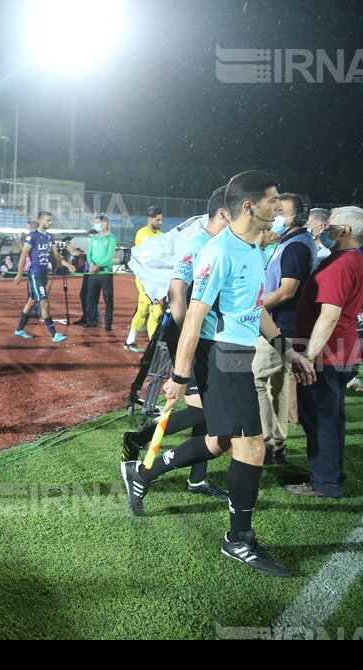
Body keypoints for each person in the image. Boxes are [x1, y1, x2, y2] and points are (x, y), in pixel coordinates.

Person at [121, 170, 315, 577]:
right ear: (249, 206)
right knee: (252, 445)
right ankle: (238, 539)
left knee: (221, 441)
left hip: (239, 352)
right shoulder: (218, 251)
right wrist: (179, 375)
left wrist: (286, 349)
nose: (278, 209)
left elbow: (254, 308)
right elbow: (194, 316)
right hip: (221, 355)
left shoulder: (254, 249)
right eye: (272, 201)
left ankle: (144, 472)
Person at [122, 186, 232, 500]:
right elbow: (176, 293)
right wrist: (189, 337)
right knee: (202, 413)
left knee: (208, 412)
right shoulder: (196, 242)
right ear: (224, 212)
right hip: (187, 333)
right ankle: (140, 439)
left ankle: (196, 479)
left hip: (207, 336)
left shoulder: (224, 243)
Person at [287, 207, 363, 498]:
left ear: (345, 230)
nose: (323, 229)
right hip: (340, 352)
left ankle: (325, 481)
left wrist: (307, 357)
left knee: (320, 420)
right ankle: (326, 473)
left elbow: (329, 316)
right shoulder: (350, 260)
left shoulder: (341, 265)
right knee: (330, 419)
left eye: (330, 226)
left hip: (327, 354)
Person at [253, 192, 317, 464]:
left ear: (296, 217)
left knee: (254, 379)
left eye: (281, 212)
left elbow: (286, 291)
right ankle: (276, 444)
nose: (276, 215)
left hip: (281, 325)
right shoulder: (295, 241)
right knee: (278, 386)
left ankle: (266, 443)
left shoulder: (295, 246)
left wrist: (252, 306)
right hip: (290, 324)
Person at [13, 211, 74, 341]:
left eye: (51, 221)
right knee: (44, 301)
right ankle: (54, 334)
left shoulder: (50, 237)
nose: (50, 223)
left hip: (44, 274)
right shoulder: (32, 236)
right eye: (48, 220)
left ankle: (19, 329)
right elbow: (24, 254)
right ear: (40, 221)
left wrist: (67, 264)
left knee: (32, 302)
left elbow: (56, 255)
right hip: (35, 274)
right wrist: (19, 274)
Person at [124, 206, 165, 353]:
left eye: (161, 219)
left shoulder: (161, 234)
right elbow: (145, 257)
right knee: (156, 309)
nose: (160, 222)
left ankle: (129, 342)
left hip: (154, 279)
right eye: (157, 219)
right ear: (149, 219)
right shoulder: (142, 234)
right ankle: (152, 347)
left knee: (142, 310)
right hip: (145, 279)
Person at [82, 215, 116, 329]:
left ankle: (108, 323)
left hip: (105, 273)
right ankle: (92, 321)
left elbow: (110, 255)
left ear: (104, 223)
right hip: (93, 274)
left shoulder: (111, 238)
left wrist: (99, 266)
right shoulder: (94, 239)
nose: (96, 224)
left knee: (108, 298)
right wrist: (92, 265)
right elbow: (89, 254)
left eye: (98, 222)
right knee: (92, 298)